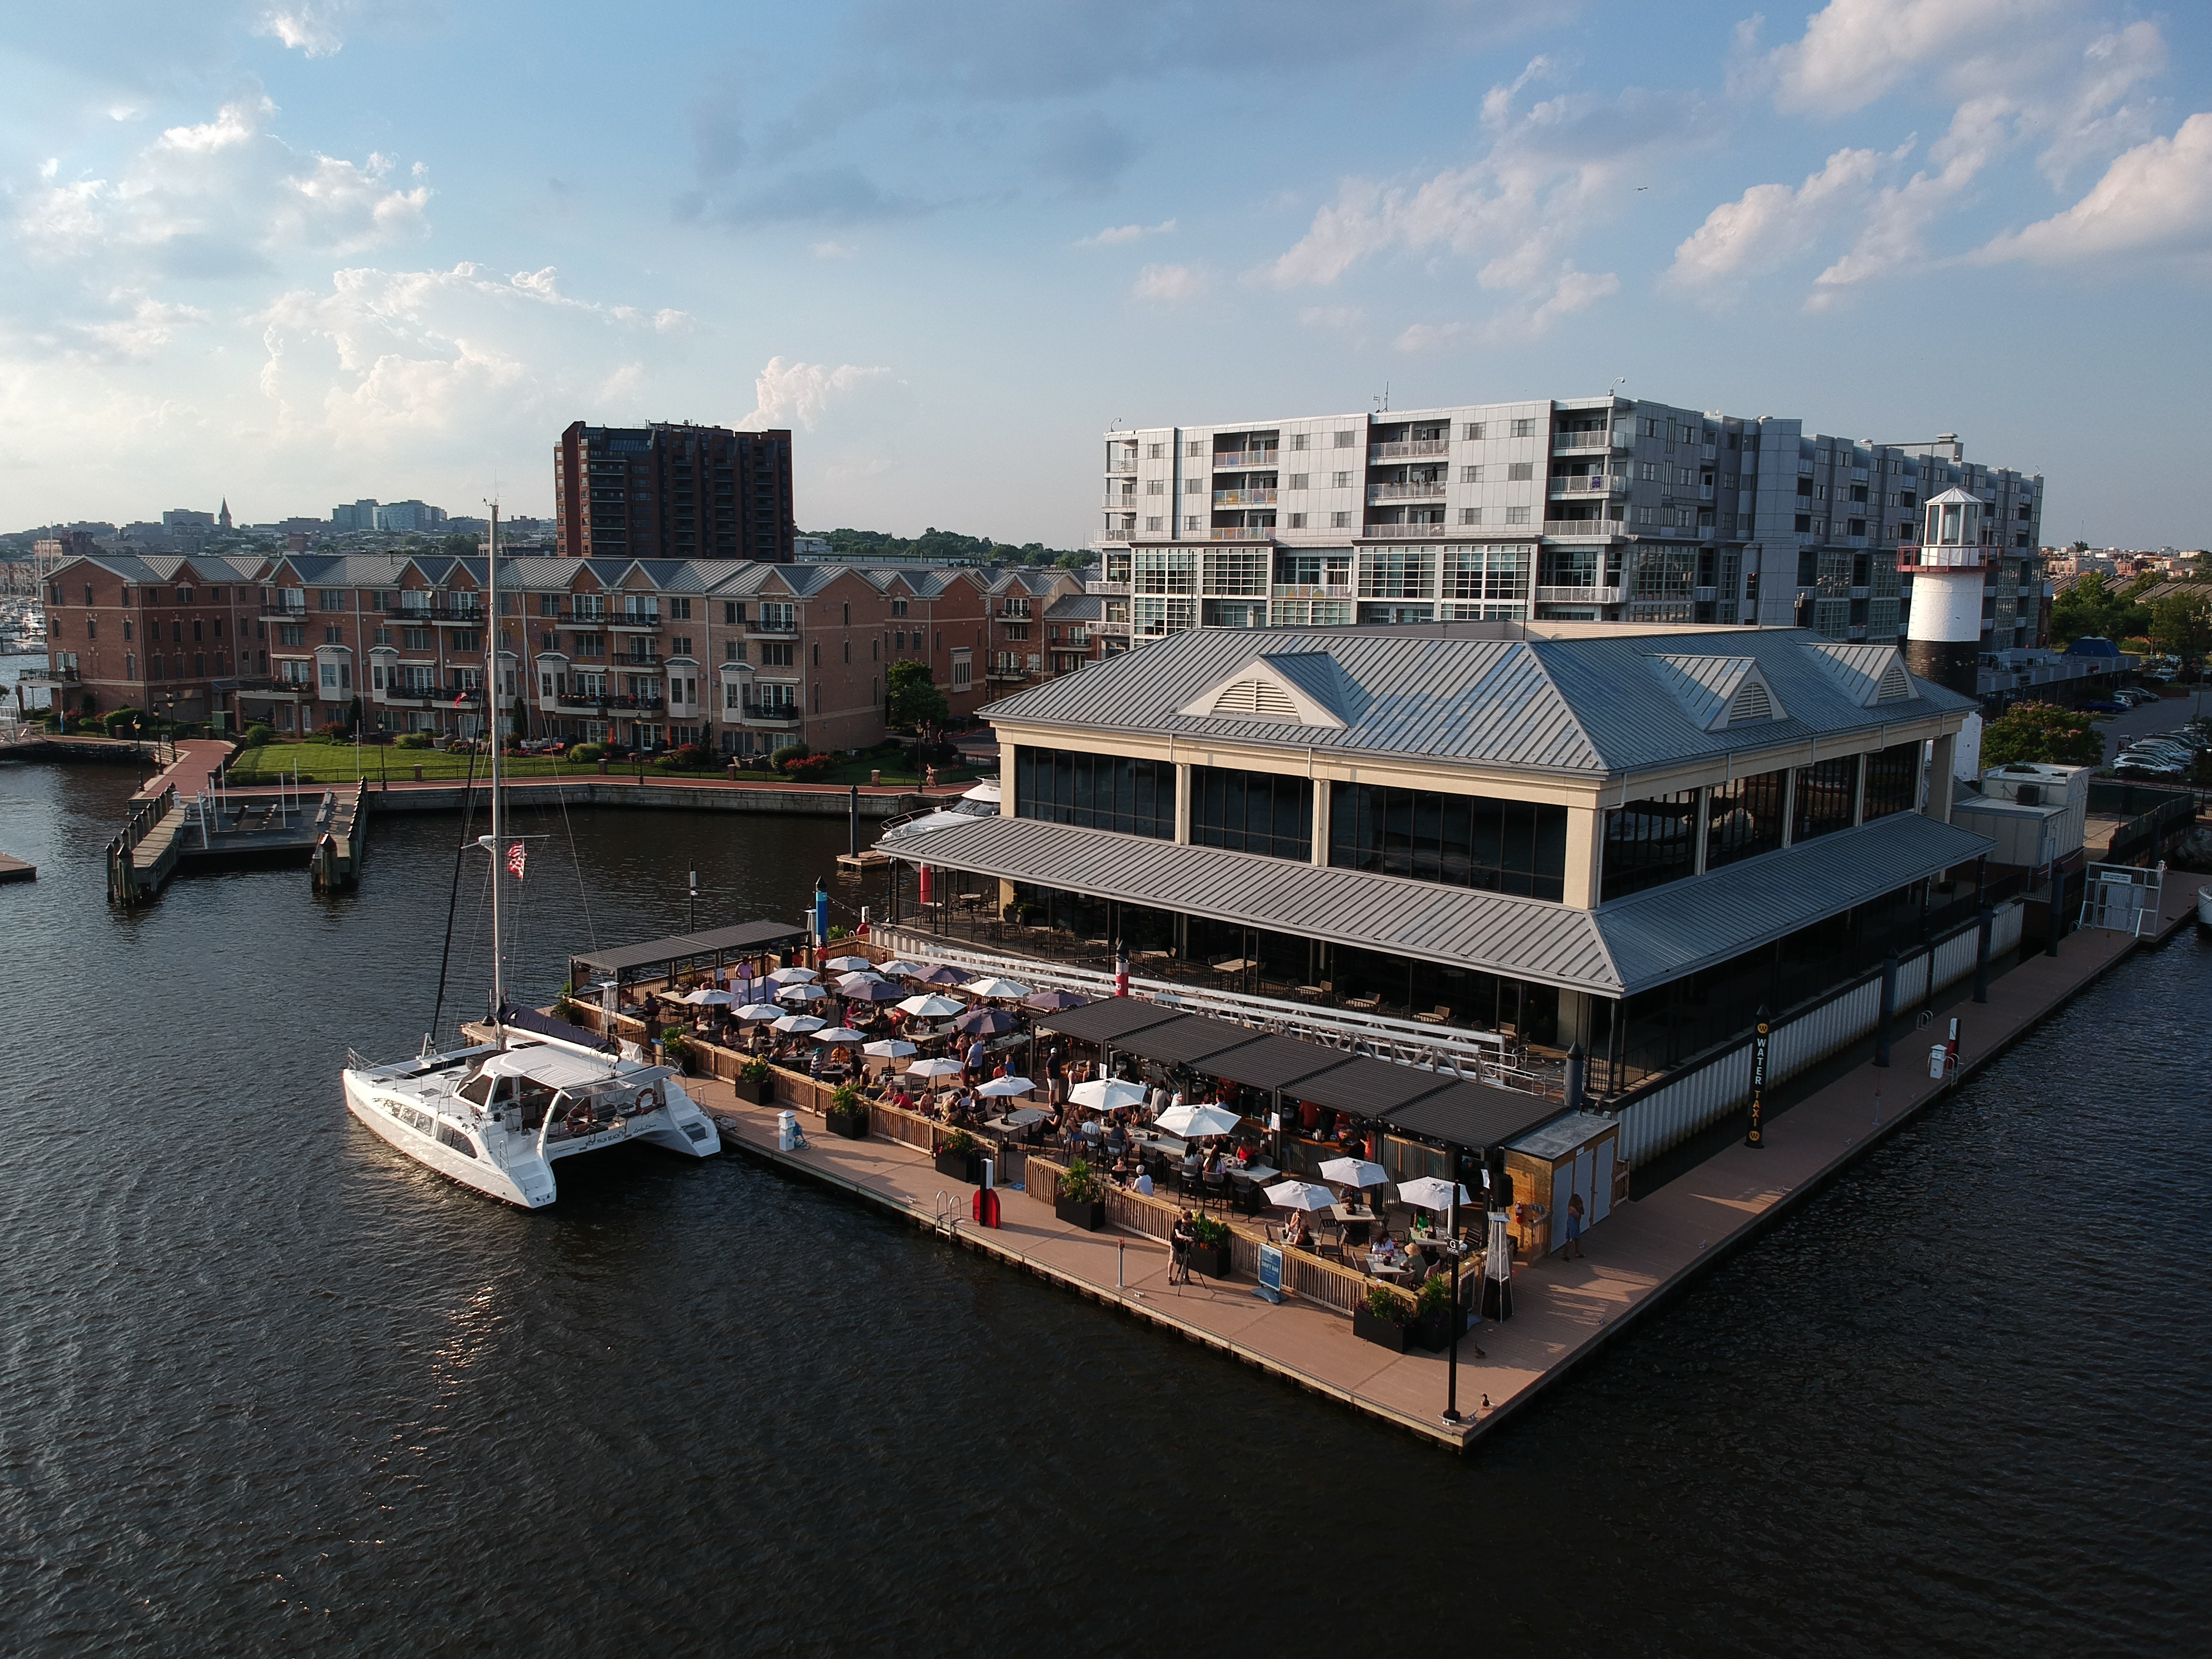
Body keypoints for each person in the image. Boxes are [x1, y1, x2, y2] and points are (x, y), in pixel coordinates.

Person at [1559, 1191, 1587, 1261]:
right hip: (1572, 1225)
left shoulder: (1577, 1207)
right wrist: (1579, 1211)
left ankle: (1577, 1253)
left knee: (1578, 1238)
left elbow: (1583, 1213)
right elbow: (1578, 1218)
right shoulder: (1571, 1208)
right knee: (1570, 1240)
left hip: (1576, 1225)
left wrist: (1582, 1207)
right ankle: (1565, 1255)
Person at [1168, 1212, 1194, 1284]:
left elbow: (1191, 1233)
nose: (1190, 1222)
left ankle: (1185, 1277)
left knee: (1185, 1262)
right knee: (1172, 1260)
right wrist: (1188, 1238)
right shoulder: (1178, 1224)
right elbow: (1178, 1235)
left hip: (1183, 1246)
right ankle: (1170, 1277)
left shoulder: (1189, 1225)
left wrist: (1193, 1241)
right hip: (1176, 1245)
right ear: (1185, 1219)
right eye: (1189, 1220)